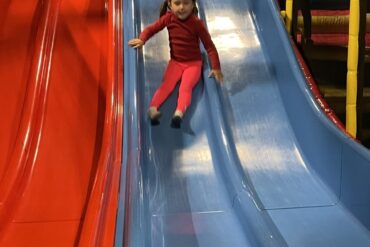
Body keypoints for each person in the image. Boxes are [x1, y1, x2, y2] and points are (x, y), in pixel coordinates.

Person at [128, 0, 224, 128]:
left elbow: (209, 47)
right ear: (169, 4)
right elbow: (152, 29)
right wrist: (142, 39)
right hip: (176, 62)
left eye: (186, 3)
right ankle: (152, 109)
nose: (182, 7)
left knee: (185, 87)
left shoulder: (196, 23)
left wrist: (216, 67)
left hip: (193, 64)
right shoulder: (169, 18)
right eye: (177, 3)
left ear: (193, 4)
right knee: (166, 85)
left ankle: (179, 113)